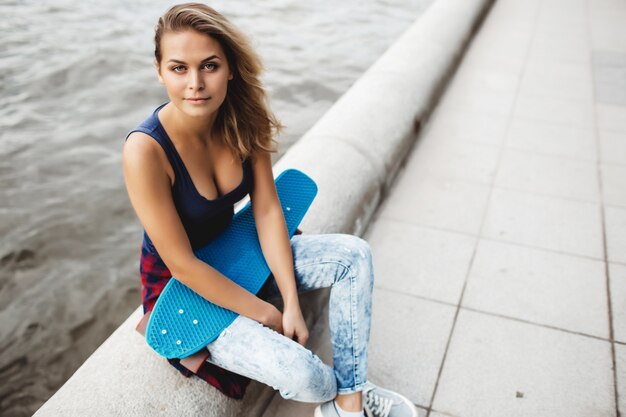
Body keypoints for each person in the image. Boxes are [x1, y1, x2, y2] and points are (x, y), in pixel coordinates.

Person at [122, 3, 417, 417]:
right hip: (182, 284)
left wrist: (292, 302)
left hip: (239, 251)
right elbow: (184, 264)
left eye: (209, 66)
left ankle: (348, 401)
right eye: (178, 68)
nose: (195, 83)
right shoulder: (145, 151)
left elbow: (266, 212)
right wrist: (266, 312)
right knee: (305, 377)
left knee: (354, 256)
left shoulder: (245, 118)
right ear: (159, 71)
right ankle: (337, 392)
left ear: (229, 68)